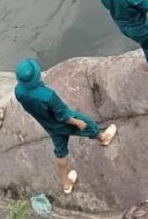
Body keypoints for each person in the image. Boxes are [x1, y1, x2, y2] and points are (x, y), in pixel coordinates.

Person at [14, 58, 117, 194]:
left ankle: (66, 184)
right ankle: (103, 138)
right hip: (63, 123)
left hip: (49, 126)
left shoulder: (18, 91)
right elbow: (63, 116)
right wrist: (78, 123)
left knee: (60, 151)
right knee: (89, 123)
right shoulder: (48, 95)